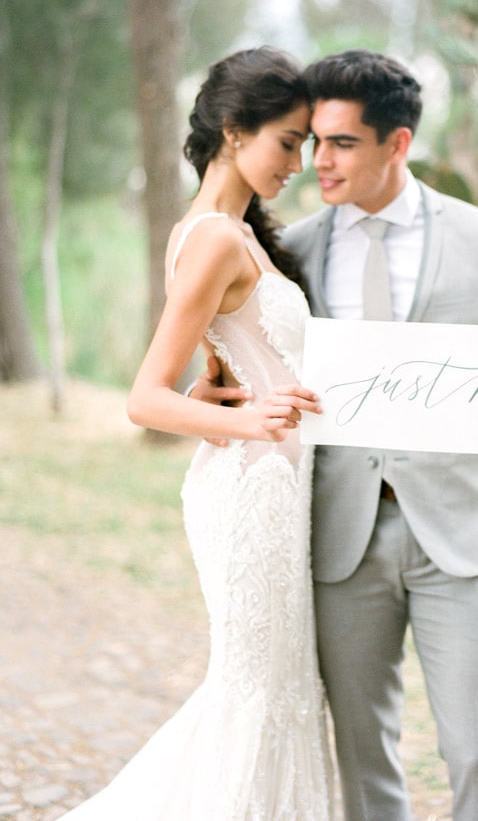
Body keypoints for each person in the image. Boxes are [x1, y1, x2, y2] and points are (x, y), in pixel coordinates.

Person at [196, 48, 478, 821]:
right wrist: (218, 389)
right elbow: (253, 348)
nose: (318, 161)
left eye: (341, 143)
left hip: (459, 535)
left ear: (398, 144)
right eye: (311, 142)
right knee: (364, 761)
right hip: (339, 536)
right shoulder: (296, 249)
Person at [56, 48, 333, 821]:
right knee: (256, 697)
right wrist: (240, 418)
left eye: (308, 145)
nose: (300, 163)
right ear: (233, 130)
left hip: (275, 491)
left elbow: (205, 371)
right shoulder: (213, 236)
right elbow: (144, 399)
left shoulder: (230, 235)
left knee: (276, 693)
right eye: (288, 141)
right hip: (251, 495)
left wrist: (214, 395)